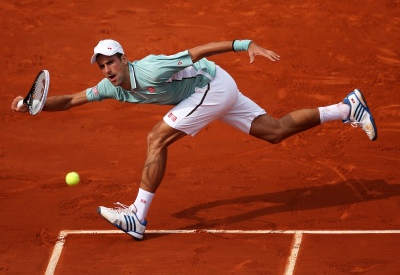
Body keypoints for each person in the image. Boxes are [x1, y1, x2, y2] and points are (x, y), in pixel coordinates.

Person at [11, 39, 377, 240]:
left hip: (212, 85)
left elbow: (197, 51)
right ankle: (347, 109)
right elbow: (72, 100)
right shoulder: (112, 88)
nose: (107, 69)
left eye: (111, 62)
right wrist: (34, 106)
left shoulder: (151, 67)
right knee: (275, 131)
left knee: (157, 138)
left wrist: (244, 44)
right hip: (221, 87)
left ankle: (137, 216)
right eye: (102, 65)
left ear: (124, 58)